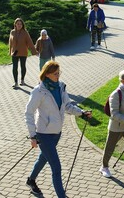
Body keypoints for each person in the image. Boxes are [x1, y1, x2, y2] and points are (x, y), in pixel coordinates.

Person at [24, 61, 92, 197]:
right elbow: (28, 113)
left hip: (56, 133)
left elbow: (67, 106)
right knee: (56, 167)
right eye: (55, 74)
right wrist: (32, 136)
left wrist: (81, 113)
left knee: (43, 158)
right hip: (43, 134)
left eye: (59, 73)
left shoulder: (60, 86)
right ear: (47, 74)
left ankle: (31, 180)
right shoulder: (39, 91)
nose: (58, 76)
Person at [9, 18, 37, 88]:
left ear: (22, 25)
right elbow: (10, 42)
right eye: (18, 24)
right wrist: (10, 51)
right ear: (15, 24)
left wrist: (34, 51)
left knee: (23, 66)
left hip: (23, 52)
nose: (19, 25)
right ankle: (15, 82)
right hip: (15, 52)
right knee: (14, 67)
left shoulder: (25, 32)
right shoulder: (12, 32)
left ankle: (22, 80)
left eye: (20, 24)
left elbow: (30, 42)